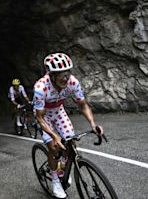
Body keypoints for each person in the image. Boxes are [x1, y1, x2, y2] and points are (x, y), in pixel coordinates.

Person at [33, 53, 104, 199]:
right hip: (44, 116)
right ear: (51, 75)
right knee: (53, 147)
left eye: (67, 73)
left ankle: (61, 170)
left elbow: (83, 105)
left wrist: (93, 124)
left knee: (71, 143)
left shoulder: (72, 82)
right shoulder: (40, 88)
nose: (66, 78)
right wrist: (54, 135)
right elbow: (39, 117)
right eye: (61, 74)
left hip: (58, 111)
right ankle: (55, 180)